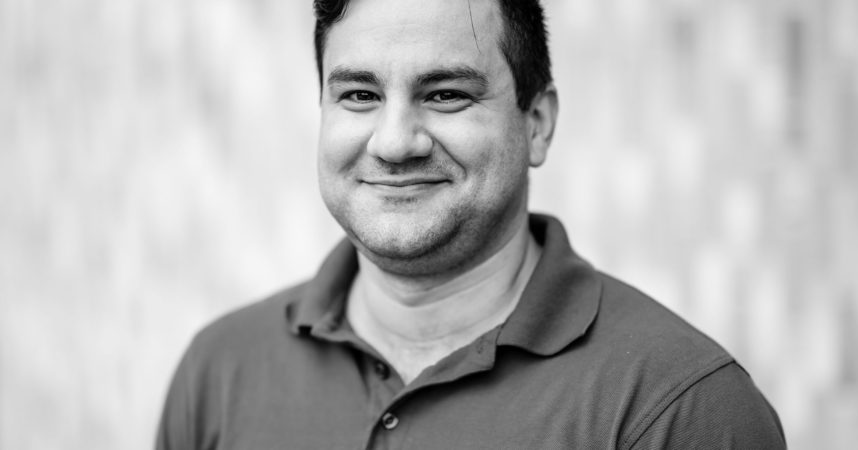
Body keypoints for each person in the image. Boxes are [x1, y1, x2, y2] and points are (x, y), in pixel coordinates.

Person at [157, 0, 786, 448]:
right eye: (359, 95)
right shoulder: (219, 370)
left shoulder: (681, 408)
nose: (394, 141)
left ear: (537, 123)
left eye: (446, 94)